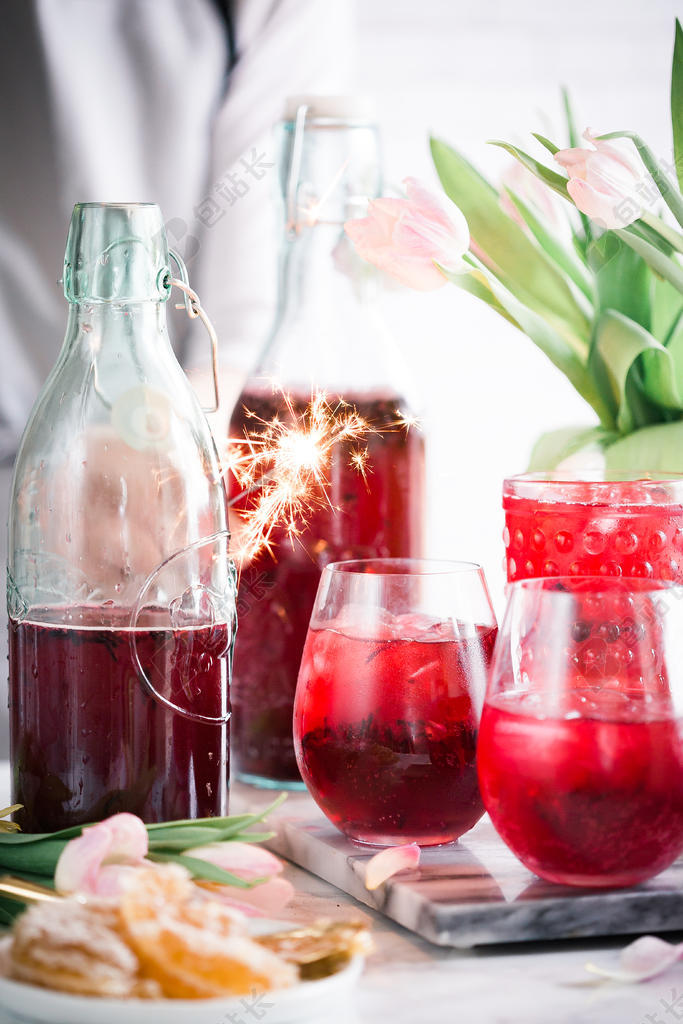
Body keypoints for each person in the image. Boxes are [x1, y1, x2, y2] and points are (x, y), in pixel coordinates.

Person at [0, 0, 354, 758]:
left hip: (137, 478)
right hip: (38, 533)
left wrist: (153, 442)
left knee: (133, 787)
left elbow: (253, 311)